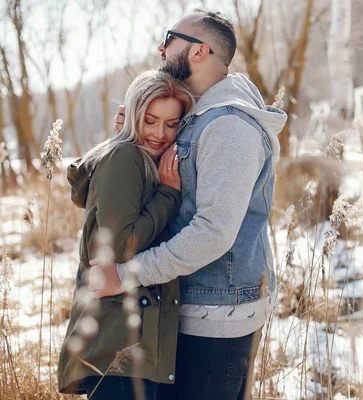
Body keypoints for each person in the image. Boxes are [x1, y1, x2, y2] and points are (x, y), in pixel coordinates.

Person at [90, 8, 287, 400]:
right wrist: (131, 137)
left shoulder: (228, 126)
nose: (161, 47)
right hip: (189, 306)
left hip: (216, 317)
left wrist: (129, 273)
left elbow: (214, 233)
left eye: (170, 38)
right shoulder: (198, 116)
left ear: (200, 51)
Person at [57, 70, 195, 399]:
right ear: (132, 116)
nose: (160, 134)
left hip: (127, 346)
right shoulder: (125, 157)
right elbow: (120, 247)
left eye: (171, 123)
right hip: (116, 347)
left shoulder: (139, 159)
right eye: (149, 120)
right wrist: (168, 194)